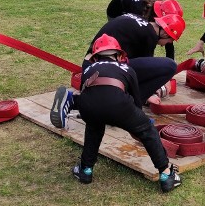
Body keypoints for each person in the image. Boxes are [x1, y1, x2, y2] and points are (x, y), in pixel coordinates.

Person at [59, 34, 182, 191]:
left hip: (87, 105)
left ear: (95, 58)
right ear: (118, 56)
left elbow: (89, 92)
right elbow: (136, 100)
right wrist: (137, 125)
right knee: (147, 130)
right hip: (118, 104)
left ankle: (85, 170)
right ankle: (166, 175)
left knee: (94, 127)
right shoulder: (127, 69)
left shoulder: (88, 69)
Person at [50, 12, 185, 129]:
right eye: (169, 40)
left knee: (114, 96)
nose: (166, 45)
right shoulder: (149, 36)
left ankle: (72, 100)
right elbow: (139, 77)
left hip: (92, 69)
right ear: (164, 32)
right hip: (103, 70)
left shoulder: (140, 22)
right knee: (169, 66)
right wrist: (148, 96)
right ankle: (130, 114)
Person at [105, 0, 182, 60]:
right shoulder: (140, 10)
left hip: (129, 5)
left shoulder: (158, 9)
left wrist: (170, 60)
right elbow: (141, 36)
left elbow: (168, 36)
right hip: (116, 10)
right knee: (125, 39)